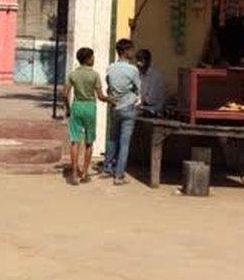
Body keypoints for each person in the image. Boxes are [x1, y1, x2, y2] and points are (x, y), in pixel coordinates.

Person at [63, 47, 109, 185]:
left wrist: (68, 108)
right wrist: (110, 99)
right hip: (90, 107)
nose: (94, 59)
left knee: (74, 141)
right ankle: (85, 172)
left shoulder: (73, 74)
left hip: (77, 106)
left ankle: (74, 173)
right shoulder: (94, 75)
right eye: (92, 57)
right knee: (89, 141)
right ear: (88, 59)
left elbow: (64, 94)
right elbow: (100, 96)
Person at [104, 39, 141, 185]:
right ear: (125, 52)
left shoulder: (111, 68)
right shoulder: (133, 70)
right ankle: (119, 175)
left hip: (115, 107)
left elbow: (109, 85)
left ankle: (107, 167)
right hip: (128, 108)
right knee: (124, 143)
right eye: (131, 50)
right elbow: (138, 89)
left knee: (112, 139)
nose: (133, 53)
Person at [136, 49, 167, 116]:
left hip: (153, 109)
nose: (138, 63)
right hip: (142, 107)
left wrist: (138, 103)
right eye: (138, 60)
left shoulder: (156, 76)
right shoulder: (140, 74)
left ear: (148, 61)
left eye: (141, 61)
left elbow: (150, 100)